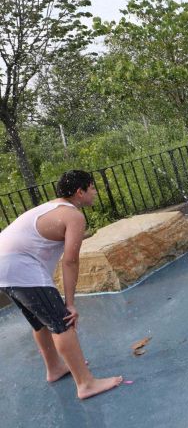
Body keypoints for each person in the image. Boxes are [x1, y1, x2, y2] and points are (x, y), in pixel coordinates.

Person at [0, 170, 123, 399]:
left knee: (40, 323)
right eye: (92, 187)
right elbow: (70, 261)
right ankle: (86, 383)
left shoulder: (53, 207)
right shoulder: (74, 216)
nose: (95, 192)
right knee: (62, 322)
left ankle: (55, 368)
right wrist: (70, 303)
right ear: (80, 191)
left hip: (4, 268)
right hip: (20, 268)